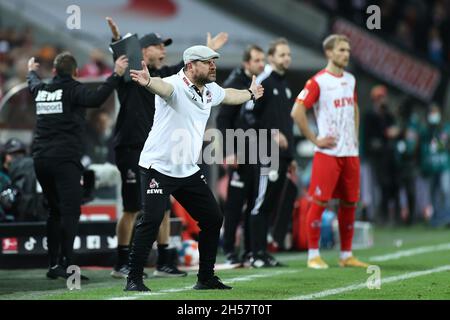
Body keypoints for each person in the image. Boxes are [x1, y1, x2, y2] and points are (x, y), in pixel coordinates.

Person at [126, 45, 264, 291]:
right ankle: (134, 278)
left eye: (214, 61)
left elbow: (229, 95)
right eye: (207, 62)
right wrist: (148, 83)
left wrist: (250, 93)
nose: (213, 66)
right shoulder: (174, 85)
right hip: (158, 166)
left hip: (187, 169)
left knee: (213, 218)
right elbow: (163, 87)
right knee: (152, 219)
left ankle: (206, 278)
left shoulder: (209, 90)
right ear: (190, 66)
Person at [105, 17, 228, 278]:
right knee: (132, 208)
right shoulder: (132, 73)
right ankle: (121, 262)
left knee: (160, 210)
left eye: (164, 46)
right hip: (131, 147)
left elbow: (193, 71)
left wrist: (206, 49)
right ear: (143, 50)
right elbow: (124, 61)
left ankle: (164, 260)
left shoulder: (166, 75)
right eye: (158, 46)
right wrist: (118, 42)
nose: (163, 49)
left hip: (160, 151)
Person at [27, 52, 128, 279]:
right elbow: (97, 99)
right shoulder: (74, 89)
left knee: (54, 210)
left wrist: (31, 70)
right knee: (71, 211)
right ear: (75, 72)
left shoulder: (41, 90)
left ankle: (54, 265)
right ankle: (67, 264)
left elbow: (32, 82)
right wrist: (116, 75)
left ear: (53, 72)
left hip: (40, 160)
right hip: (65, 161)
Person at [291, 34, 368, 269]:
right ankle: (313, 255)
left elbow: (354, 107)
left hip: (350, 154)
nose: (346, 54)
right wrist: (315, 139)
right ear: (329, 53)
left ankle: (346, 255)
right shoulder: (317, 82)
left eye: (348, 50)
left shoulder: (351, 80)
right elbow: (297, 112)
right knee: (319, 202)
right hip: (328, 154)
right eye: (342, 50)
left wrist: (354, 136)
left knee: (349, 203)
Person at [242, 38, 297, 268]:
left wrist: (291, 156)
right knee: (260, 203)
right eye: (282, 54)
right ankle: (255, 255)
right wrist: (272, 134)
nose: (287, 58)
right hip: (266, 152)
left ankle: (263, 253)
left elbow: (287, 125)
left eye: (288, 55)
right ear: (272, 57)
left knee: (270, 205)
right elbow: (248, 113)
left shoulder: (285, 86)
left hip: (282, 156)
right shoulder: (264, 81)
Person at [216, 44, 265, 265]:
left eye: (262, 60)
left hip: (255, 151)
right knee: (234, 205)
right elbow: (222, 119)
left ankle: (248, 250)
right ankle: (229, 251)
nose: (261, 64)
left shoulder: (256, 84)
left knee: (253, 201)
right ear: (246, 63)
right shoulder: (234, 85)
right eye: (256, 60)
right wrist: (229, 152)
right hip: (238, 153)